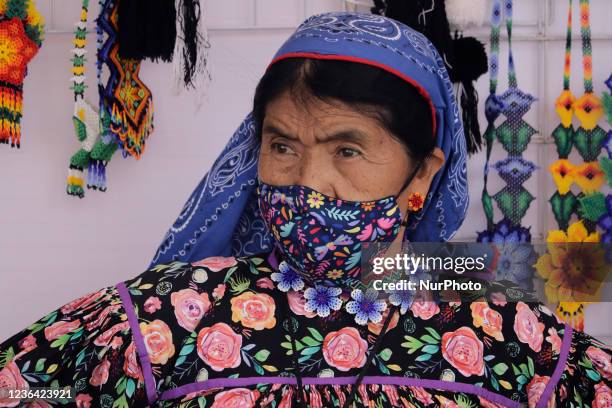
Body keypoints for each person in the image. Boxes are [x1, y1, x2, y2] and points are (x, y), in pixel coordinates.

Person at [1, 12, 610, 408]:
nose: (306, 183)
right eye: (282, 145)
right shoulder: (163, 316)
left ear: (422, 172)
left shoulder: (507, 333)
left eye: (347, 149)